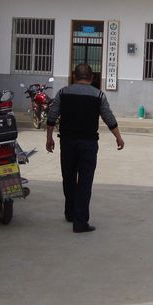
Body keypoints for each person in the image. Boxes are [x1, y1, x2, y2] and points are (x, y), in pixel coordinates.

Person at [45, 63, 124, 234]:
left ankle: (70, 213)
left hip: (67, 142)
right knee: (85, 182)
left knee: (68, 177)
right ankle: (80, 222)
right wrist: (118, 136)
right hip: (88, 144)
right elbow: (108, 117)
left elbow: (52, 116)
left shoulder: (63, 93)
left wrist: (49, 138)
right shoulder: (99, 95)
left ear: (74, 76)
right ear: (91, 78)